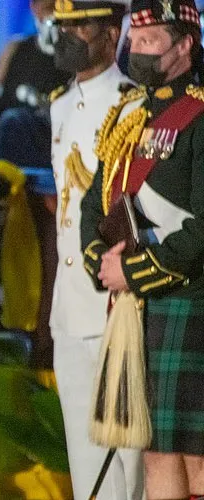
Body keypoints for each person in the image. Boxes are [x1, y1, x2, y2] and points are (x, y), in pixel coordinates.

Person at [79, 0, 204, 497]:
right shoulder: (128, 114)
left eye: (150, 42)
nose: (137, 50)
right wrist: (101, 260)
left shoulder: (199, 116)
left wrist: (134, 271)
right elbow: (95, 202)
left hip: (190, 299)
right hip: (137, 307)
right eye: (135, 40)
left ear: (185, 45)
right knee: (155, 450)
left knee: (196, 455)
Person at [48, 2, 144, 499]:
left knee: (131, 456)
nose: (67, 34)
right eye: (62, 24)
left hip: (115, 299)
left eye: (80, 24)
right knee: (84, 456)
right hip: (69, 304)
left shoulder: (134, 104)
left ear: (112, 31)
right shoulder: (60, 104)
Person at [0, 0, 72, 125]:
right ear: (33, 7)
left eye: (57, 8)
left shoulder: (76, 54)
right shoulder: (15, 49)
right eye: (49, 8)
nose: (53, 15)